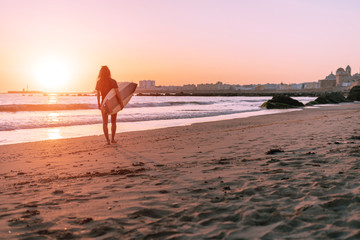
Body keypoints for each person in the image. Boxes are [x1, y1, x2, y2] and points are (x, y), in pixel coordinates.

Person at [96, 66, 122, 145]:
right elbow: (117, 93)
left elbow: (98, 94)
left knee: (105, 123)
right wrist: (121, 103)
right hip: (113, 103)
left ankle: (107, 140)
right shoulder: (113, 81)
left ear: (100, 73)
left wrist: (99, 104)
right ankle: (113, 139)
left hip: (104, 103)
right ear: (109, 72)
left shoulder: (99, 82)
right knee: (113, 122)